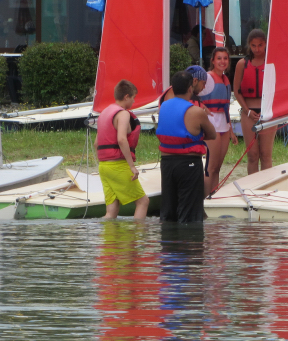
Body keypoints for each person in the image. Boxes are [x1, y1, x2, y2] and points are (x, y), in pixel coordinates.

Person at [156, 71, 216, 223]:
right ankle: (190, 237)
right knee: (190, 214)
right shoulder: (196, 111)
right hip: (188, 164)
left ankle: (168, 237)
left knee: (169, 211)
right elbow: (212, 134)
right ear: (190, 88)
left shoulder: (163, 107)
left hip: (167, 163)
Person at [96, 79, 150, 220]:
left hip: (104, 166)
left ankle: (103, 233)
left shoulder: (104, 113)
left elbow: (96, 143)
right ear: (126, 97)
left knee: (111, 211)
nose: (133, 101)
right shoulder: (123, 114)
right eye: (133, 97)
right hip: (118, 165)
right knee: (143, 202)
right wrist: (131, 166)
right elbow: (121, 139)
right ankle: (138, 233)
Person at [233, 29, 276, 174]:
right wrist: (247, 111)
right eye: (253, 46)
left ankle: (266, 185)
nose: (257, 49)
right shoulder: (242, 64)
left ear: (266, 44)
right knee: (252, 155)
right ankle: (253, 185)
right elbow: (237, 91)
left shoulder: (272, 63)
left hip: (267, 113)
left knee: (266, 155)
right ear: (249, 45)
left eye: (260, 45)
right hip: (248, 113)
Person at [198, 46, 238, 195]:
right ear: (213, 61)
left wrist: (231, 131)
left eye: (225, 58)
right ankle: (205, 198)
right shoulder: (208, 78)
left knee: (218, 167)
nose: (222, 61)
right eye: (219, 58)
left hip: (224, 125)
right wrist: (202, 107)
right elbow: (193, 95)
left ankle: (213, 196)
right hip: (211, 123)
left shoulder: (225, 79)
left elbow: (226, 107)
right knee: (211, 167)